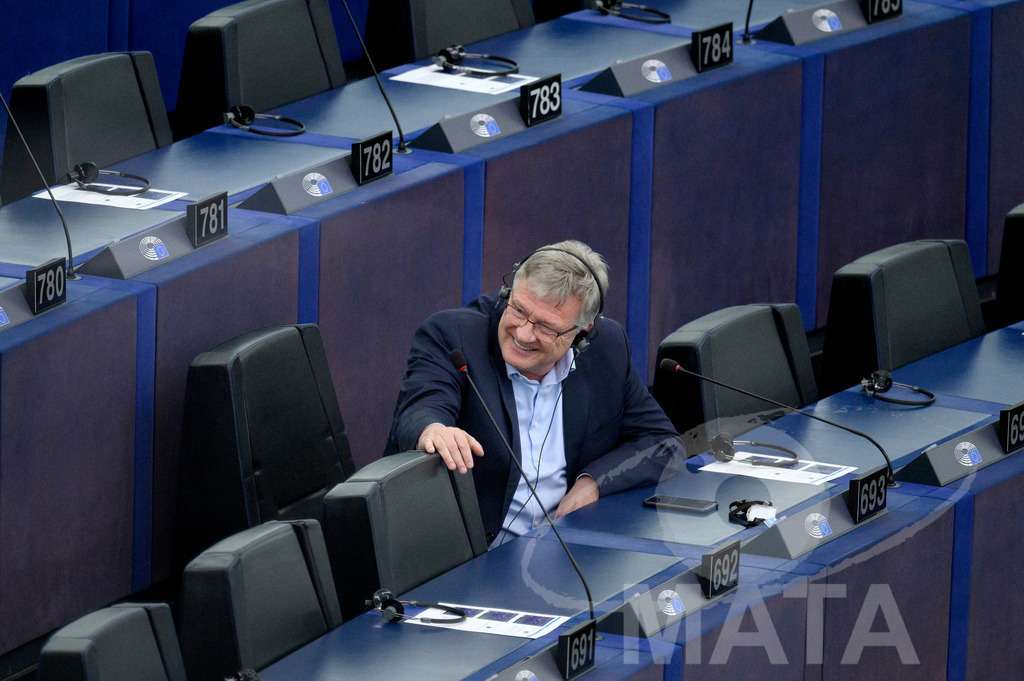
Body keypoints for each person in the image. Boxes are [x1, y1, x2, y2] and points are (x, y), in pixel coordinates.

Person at [386, 240, 682, 545]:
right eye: (519, 310)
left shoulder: (607, 348)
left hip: (567, 555)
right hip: (473, 561)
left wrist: (593, 482)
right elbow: (420, 407)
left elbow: (663, 443)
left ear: (582, 331)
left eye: (546, 327)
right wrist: (433, 429)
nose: (524, 333)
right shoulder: (454, 336)